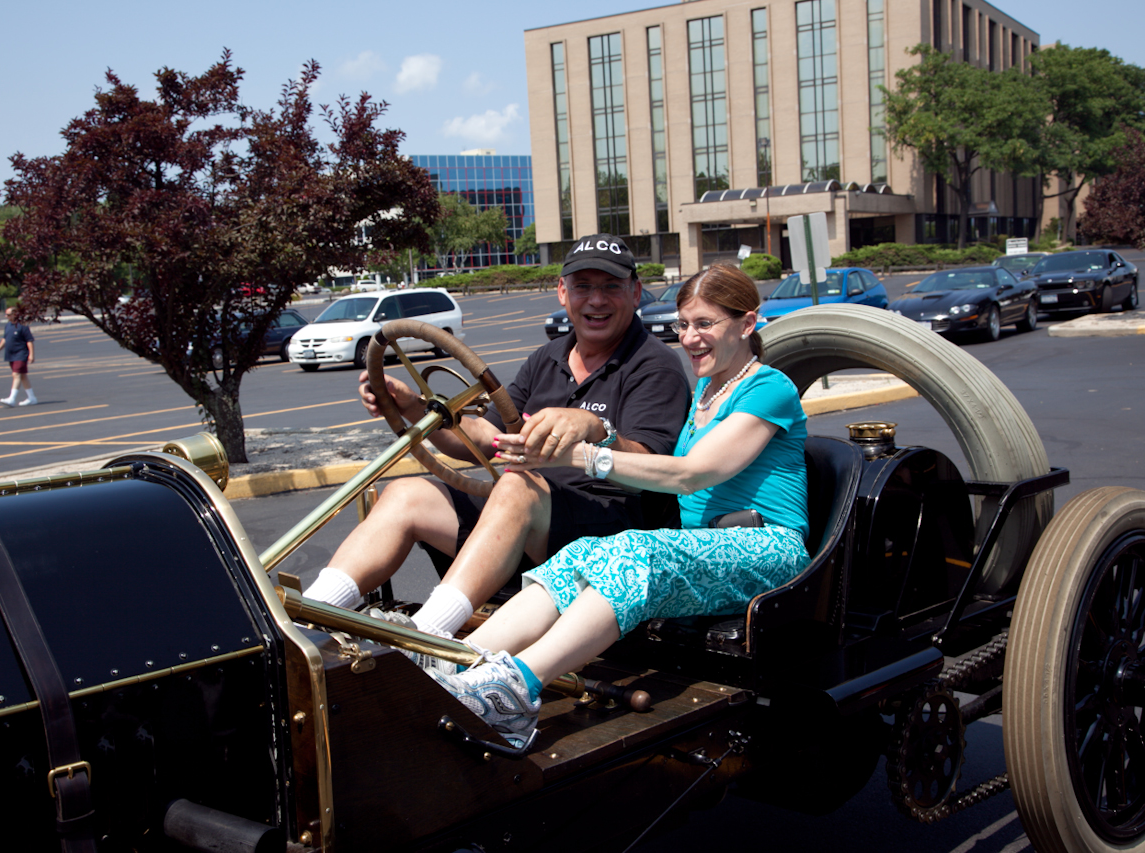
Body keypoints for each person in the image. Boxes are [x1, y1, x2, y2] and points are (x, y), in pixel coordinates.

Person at [430, 264, 811, 748]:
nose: (689, 338)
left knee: (636, 551)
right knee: (581, 554)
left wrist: (583, 456)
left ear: (747, 323)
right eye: (683, 324)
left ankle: (515, 690)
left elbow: (692, 473)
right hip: (708, 549)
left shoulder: (769, 387)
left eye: (705, 324)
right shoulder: (706, 391)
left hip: (768, 550)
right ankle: (453, 662)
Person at [303, 235, 691, 655]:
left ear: (634, 292)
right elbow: (484, 439)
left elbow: (652, 470)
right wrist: (413, 407)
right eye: (583, 286)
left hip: (612, 534)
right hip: (528, 520)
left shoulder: (654, 365)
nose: (596, 300)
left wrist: (597, 429)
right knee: (406, 493)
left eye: (611, 286)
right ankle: (309, 621)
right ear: (563, 293)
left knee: (516, 485)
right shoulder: (548, 358)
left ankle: (426, 638)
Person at [0, 306, 37, 407]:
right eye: (6, 314)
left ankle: (11, 399)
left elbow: (29, 341)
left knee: (16, 374)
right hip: (11, 355)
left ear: (15, 314)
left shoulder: (23, 326)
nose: (6, 316)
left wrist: (31, 354)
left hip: (21, 354)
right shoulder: (8, 326)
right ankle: (32, 398)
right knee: (22, 375)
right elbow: (5, 339)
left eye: (8, 315)